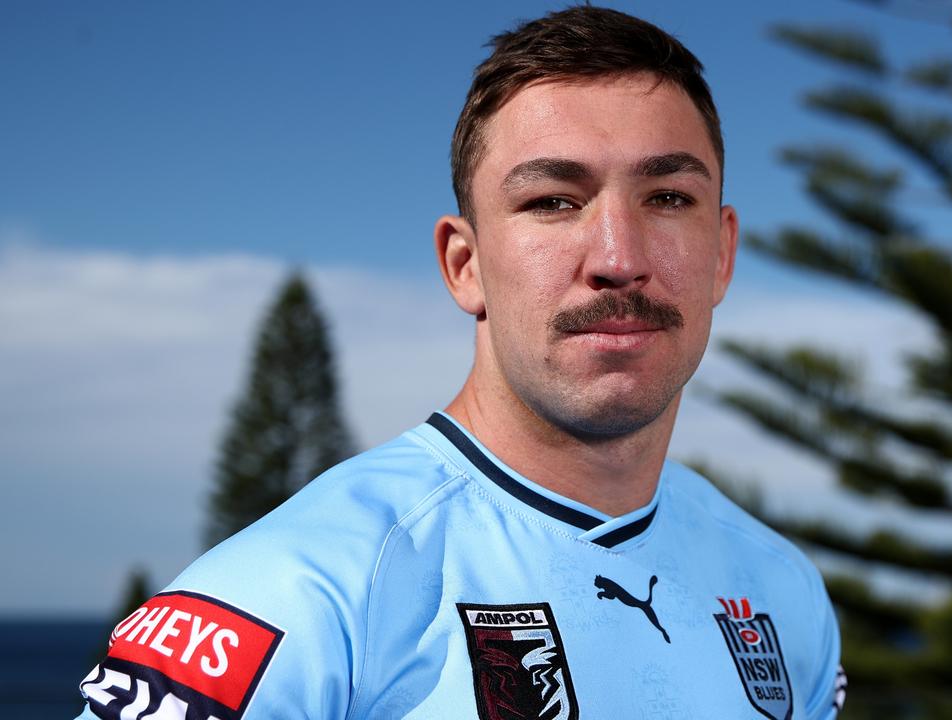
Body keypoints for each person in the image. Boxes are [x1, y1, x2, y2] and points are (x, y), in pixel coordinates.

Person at [76, 7, 845, 719]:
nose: (619, 258)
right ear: (464, 264)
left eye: (669, 198)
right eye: (553, 200)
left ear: (723, 253)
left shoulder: (781, 592)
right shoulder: (291, 598)